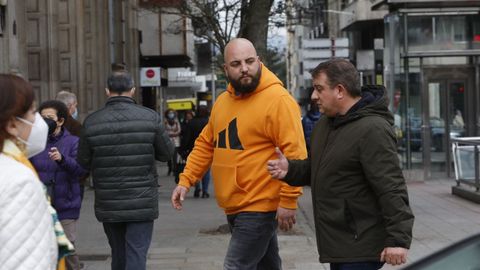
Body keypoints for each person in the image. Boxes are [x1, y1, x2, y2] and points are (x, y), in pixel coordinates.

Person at [171, 38, 307, 269]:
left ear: (259, 62)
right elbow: (206, 144)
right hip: (235, 204)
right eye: (236, 63)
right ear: (225, 69)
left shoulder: (279, 100)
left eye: (249, 61)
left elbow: (295, 153)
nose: (244, 68)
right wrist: (186, 180)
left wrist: (289, 199)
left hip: (259, 205)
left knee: (235, 266)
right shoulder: (223, 102)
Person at [267, 59, 414, 270]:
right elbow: (320, 168)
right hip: (339, 243)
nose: (313, 96)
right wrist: (290, 169)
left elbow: (391, 187)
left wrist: (398, 241)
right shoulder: (325, 124)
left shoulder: (372, 128)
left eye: (319, 89)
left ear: (339, 90)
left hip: (361, 245)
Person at [77, 70, 174, 270]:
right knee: (137, 252)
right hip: (142, 199)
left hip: (109, 199)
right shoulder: (149, 117)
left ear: (107, 91)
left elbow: (83, 161)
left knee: (118, 253)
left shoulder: (92, 122)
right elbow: (166, 154)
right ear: (133, 90)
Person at [0, 74, 58, 270]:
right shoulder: (17, 180)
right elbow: (26, 261)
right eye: (33, 112)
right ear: (12, 124)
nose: (38, 121)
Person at [30, 100, 86, 270]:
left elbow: (80, 170)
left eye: (50, 117)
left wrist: (63, 160)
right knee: (44, 249)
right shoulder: (34, 143)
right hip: (40, 204)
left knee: (66, 247)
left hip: (65, 203)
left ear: (60, 121)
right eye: (42, 117)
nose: (46, 120)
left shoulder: (73, 141)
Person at [180, 105, 211, 198]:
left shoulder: (191, 122)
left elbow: (187, 137)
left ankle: (197, 188)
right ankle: (205, 190)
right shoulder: (209, 122)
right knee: (206, 171)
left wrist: (183, 149)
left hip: (193, 148)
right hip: (208, 150)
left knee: (196, 168)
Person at [164, 108, 181, 177]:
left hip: (176, 141)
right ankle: (170, 168)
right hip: (168, 141)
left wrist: (173, 134)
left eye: (172, 113)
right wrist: (169, 134)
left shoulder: (176, 121)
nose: (171, 114)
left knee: (174, 156)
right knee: (168, 156)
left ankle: (175, 169)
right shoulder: (165, 122)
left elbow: (179, 130)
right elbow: (163, 130)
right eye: (169, 113)